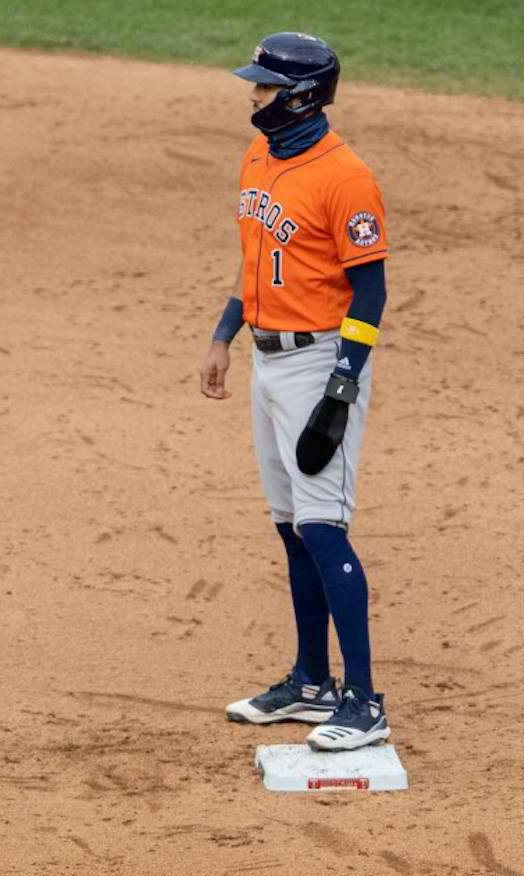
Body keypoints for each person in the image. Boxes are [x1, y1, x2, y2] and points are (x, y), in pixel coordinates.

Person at [199, 32, 391, 752]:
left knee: (321, 525)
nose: (254, 97)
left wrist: (341, 389)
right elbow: (255, 260)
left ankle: (363, 704)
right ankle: (311, 684)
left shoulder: (347, 179)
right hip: (265, 359)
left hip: (320, 364)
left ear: (303, 95)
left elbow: (370, 293)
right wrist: (223, 336)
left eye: (266, 88)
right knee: (289, 524)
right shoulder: (259, 157)